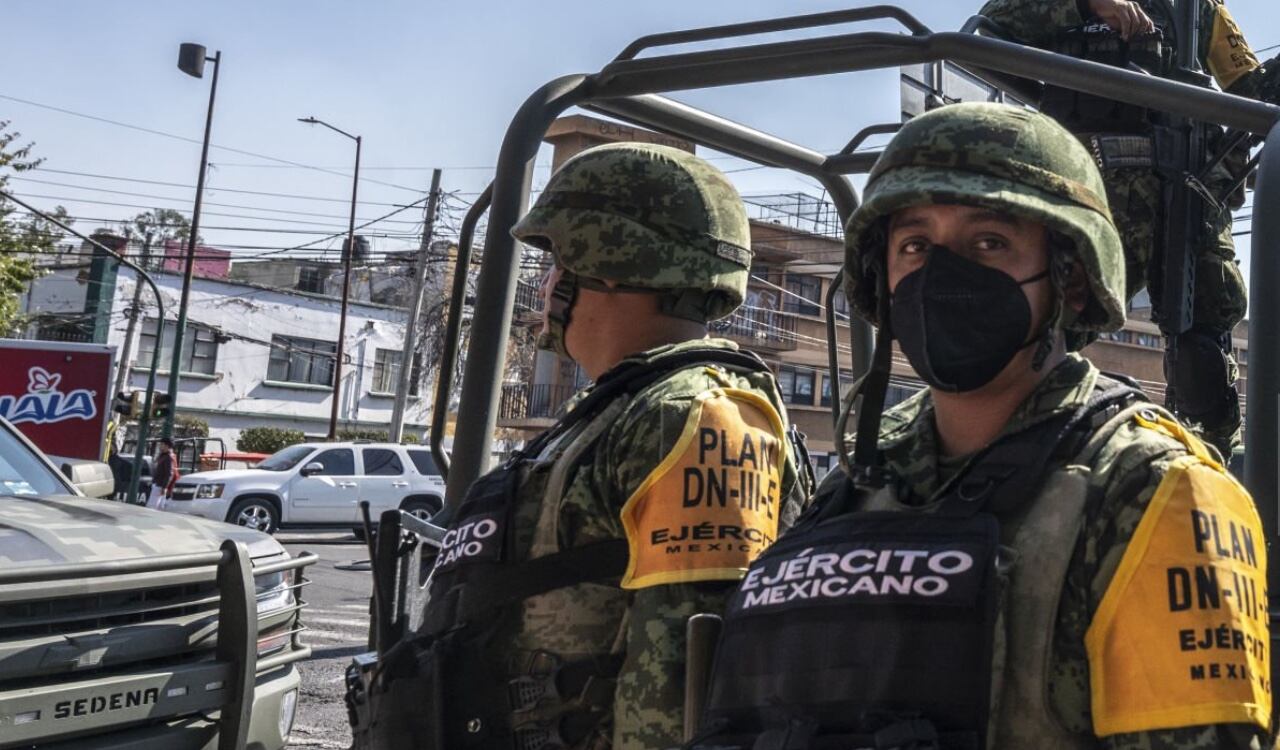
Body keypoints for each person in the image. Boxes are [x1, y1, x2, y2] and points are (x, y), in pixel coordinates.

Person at [690, 103, 1270, 749]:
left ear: (1072, 281)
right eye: (914, 245)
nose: (940, 273)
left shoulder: (1157, 493)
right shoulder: (857, 481)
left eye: (988, 243)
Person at [357, 143, 812, 750]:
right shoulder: (616, 409)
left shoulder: (697, 417)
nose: (546, 283)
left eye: (557, 260)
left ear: (606, 261)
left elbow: (683, 687)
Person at [976, 0, 1280, 460]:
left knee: (1205, 336)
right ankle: (989, 448)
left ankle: (1212, 468)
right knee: (1057, 320)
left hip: (1191, 188)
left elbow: (1251, 89)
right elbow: (989, 29)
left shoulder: (1202, 10)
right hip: (1097, 185)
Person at [146, 438, 176, 510]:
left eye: (162, 444)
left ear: (167, 446)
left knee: (151, 507)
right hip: (158, 484)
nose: (160, 446)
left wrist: (164, 487)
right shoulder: (163, 455)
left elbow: (169, 473)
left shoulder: (168, 457)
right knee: (159, 508)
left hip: (160, 485)